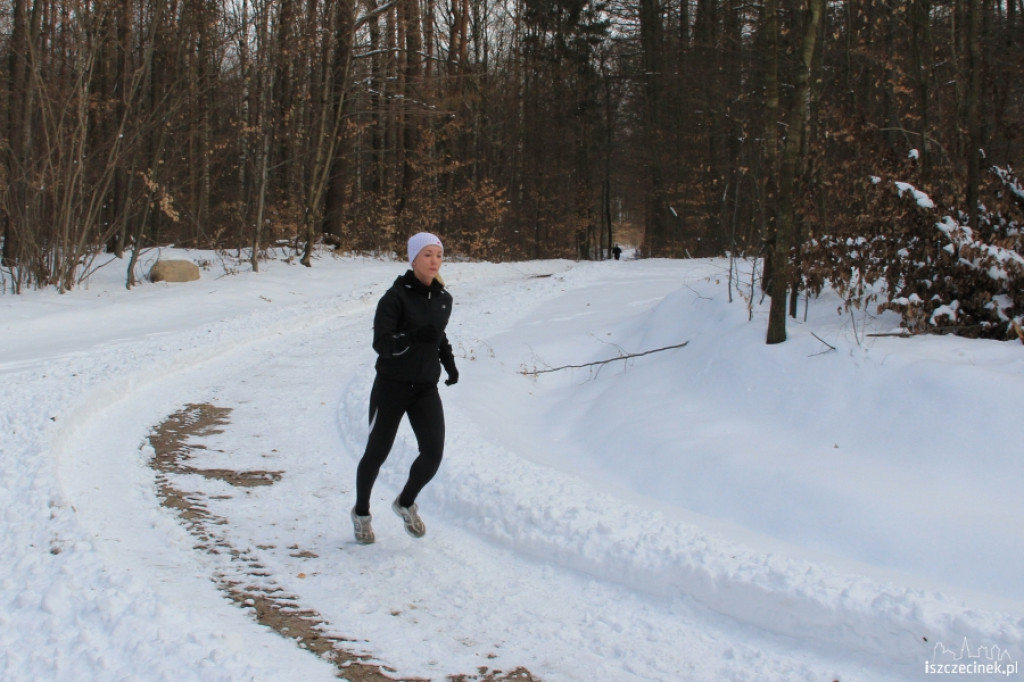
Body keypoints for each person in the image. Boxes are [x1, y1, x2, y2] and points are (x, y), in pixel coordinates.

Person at [351, 232, 459, 544]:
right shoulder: (394, 298)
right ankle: (361, 513)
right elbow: (382, 344)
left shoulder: (443, 299)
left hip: (425, 387)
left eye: (438, 255)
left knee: (433, 454)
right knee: (377, 452)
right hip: (392, 387)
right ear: (413, 259)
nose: (434, 261)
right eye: (427, 254)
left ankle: (406, 502)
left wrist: (448, 362)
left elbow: (438, 336)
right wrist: (412, 337)